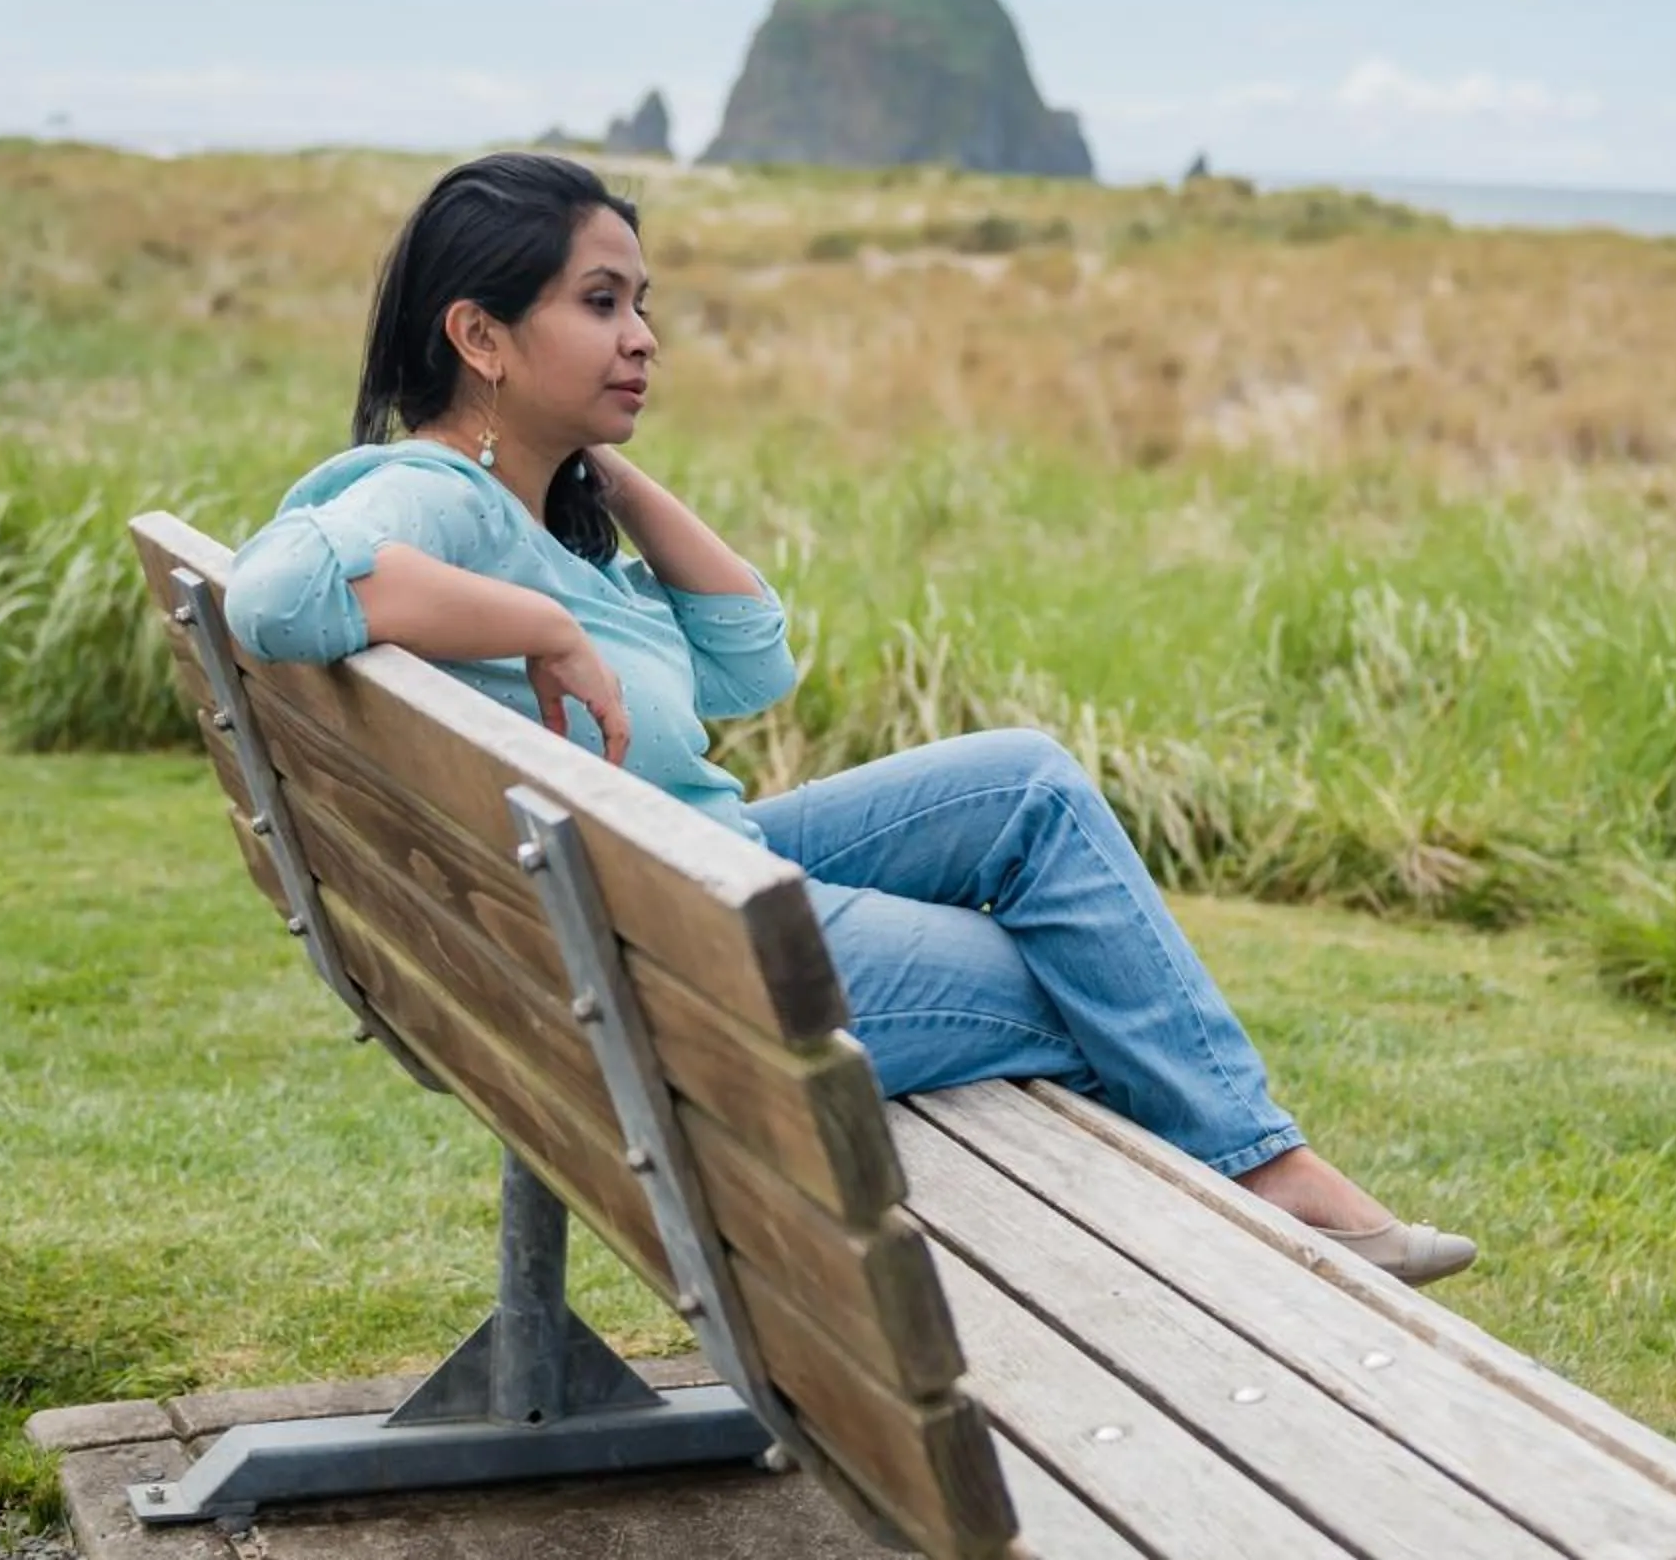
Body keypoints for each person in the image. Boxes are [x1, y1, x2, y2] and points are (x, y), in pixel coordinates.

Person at [223, 152, 1475, 1286]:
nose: (643, 337)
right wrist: (544, 628)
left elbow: (750, 658)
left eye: (644, 303)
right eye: (600, 303)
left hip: (684, 880)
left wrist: (602, 467)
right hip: (674, 953)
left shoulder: (539, 518)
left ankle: (1269, 1176)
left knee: (1029, 782)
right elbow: (277, 592)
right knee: (1085, 977)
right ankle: (1273, 1196)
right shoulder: (434, 497)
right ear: (479, 335)